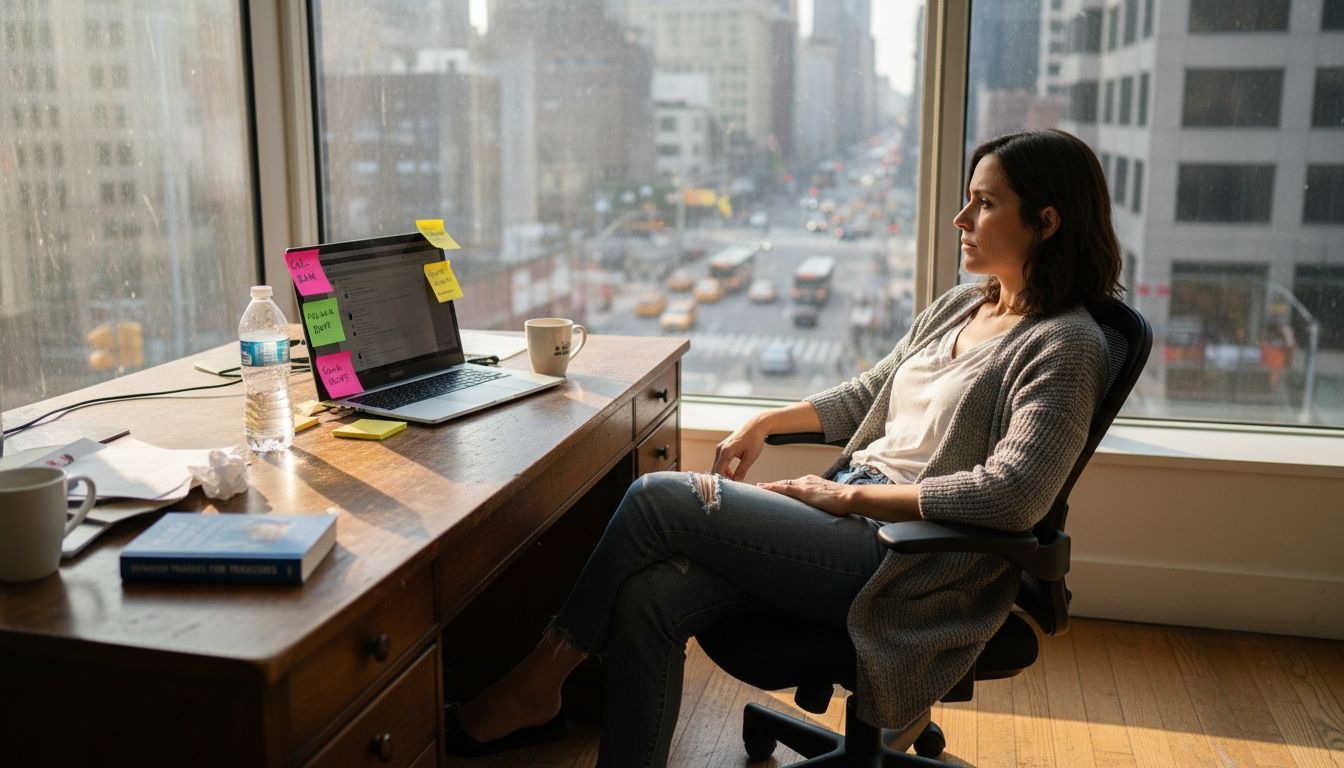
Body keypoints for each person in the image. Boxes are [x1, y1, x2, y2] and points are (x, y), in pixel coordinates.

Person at [444, 128, 1123, 767]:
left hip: (912, 561)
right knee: (650, 596)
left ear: (1047, 221)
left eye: (984, 203)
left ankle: (535, 686)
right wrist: (767, 422)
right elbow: (872, 394)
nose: (960, 219)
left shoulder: (1065, 346)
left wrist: (847, 494)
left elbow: (1012, 494)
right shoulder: (960, 308)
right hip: (851, 523)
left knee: (658, 500)